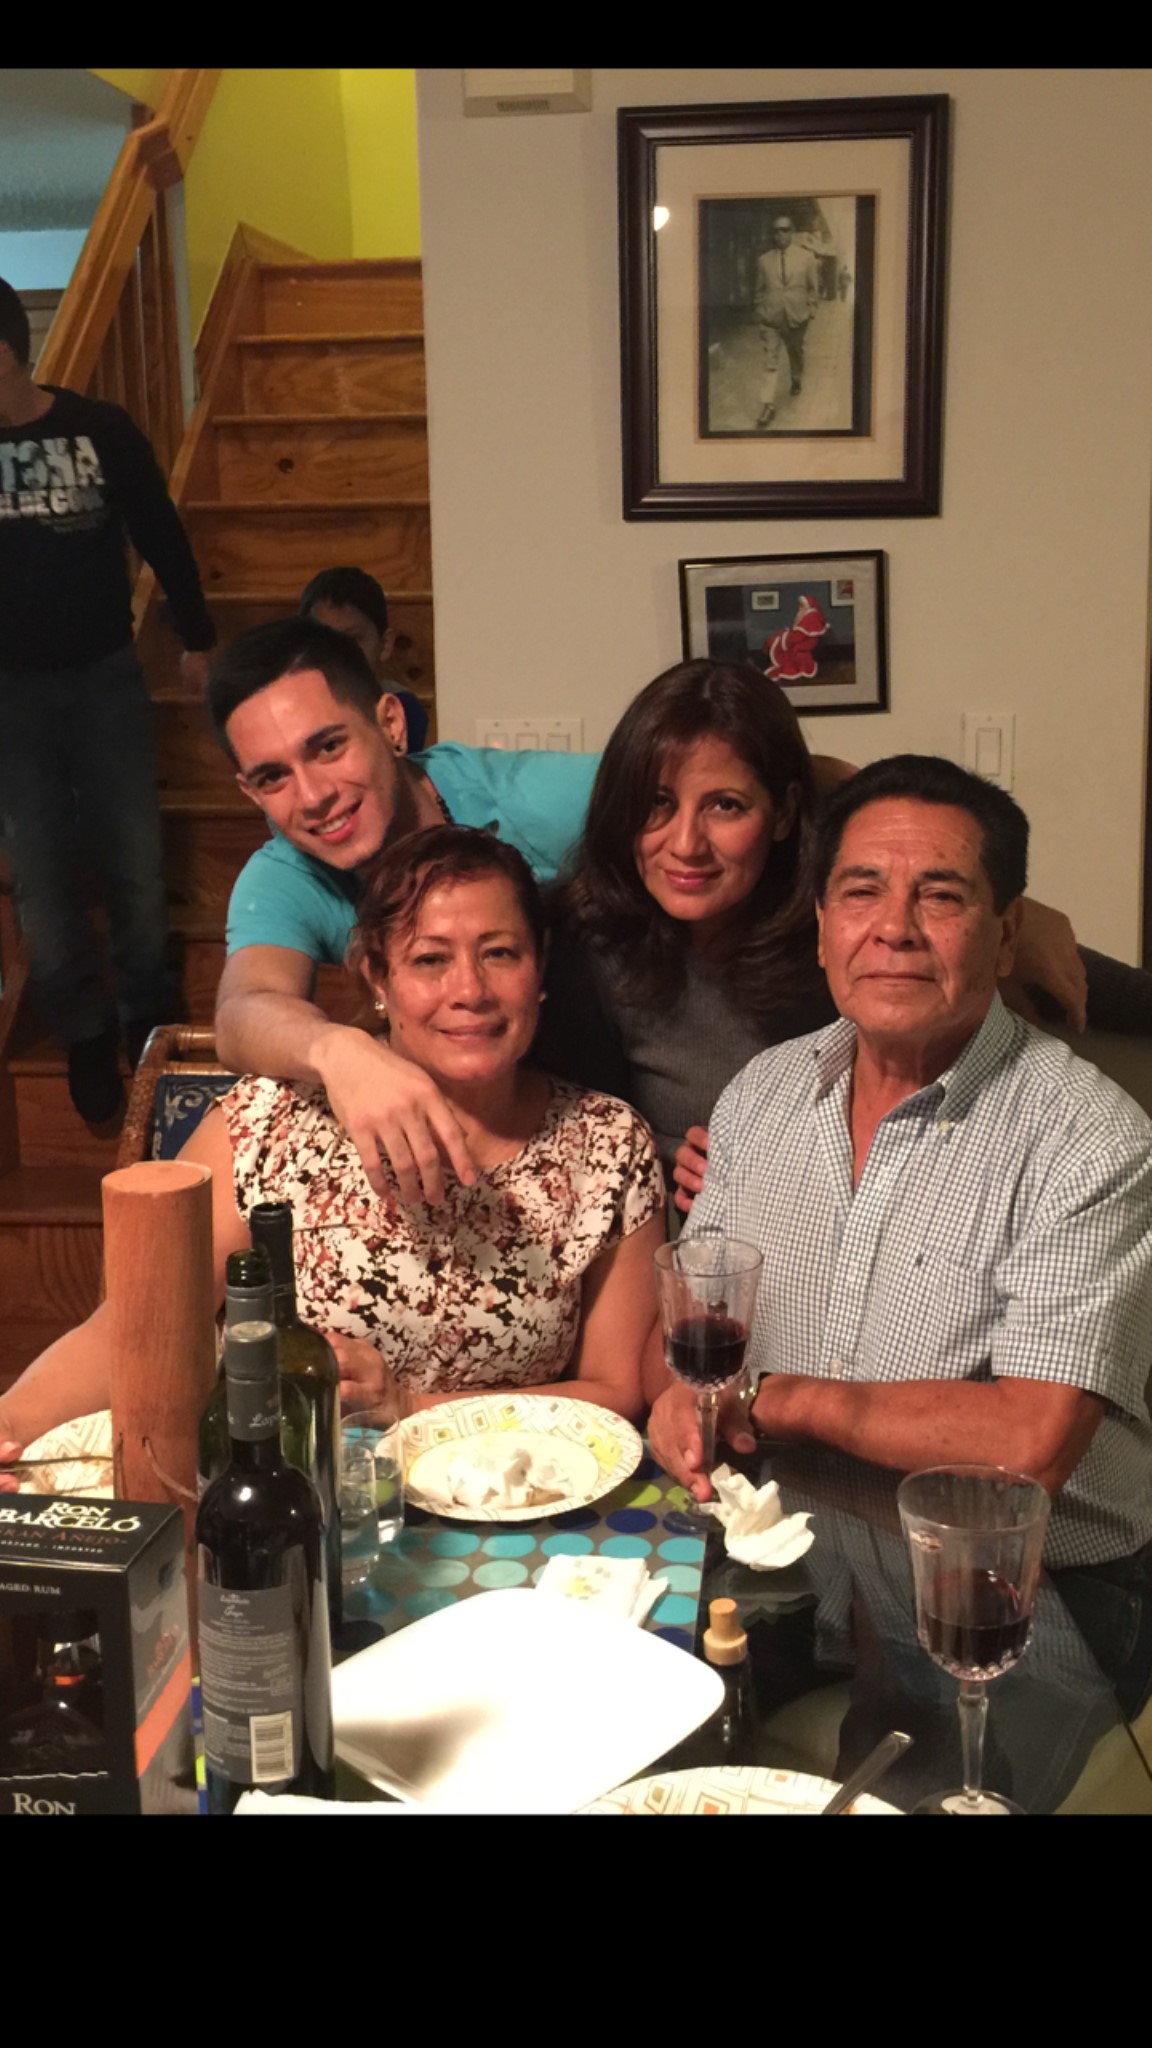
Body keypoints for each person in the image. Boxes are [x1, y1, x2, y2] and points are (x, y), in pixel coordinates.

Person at [648, 754, 1152, 1715]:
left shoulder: (1091, 1139)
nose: (895, 928)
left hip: (1024, 1584)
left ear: (1006, 935)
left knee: (901, 1780)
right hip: (791, 1547)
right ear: (823, 927)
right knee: (610, 1713)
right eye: (862, 891)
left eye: (942, 896)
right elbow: (694, 1325)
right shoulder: (763, 1094)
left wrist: (777, 1399)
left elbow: (1028, 1443)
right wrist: (684, 1400)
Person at [0, 826, 664, 1470]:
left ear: (540, 965)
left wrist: (412, 1409)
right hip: (287, 1496)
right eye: (430, 960)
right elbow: (138, 1328)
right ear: (377, 976)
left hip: (514, 1503)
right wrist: (11, 1424)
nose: (469, 990)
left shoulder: (607, 1145)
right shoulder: (271, 1122)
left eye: (499, 953)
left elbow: (614, 1392)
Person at [210, 614, 601, 1204]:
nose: (313, 796)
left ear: (390, 724)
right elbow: (243, 1011)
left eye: (329, 747)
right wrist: (339, 1051)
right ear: (249, 791)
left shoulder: (537, 801)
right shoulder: (285, 875)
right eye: (273, 777)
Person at [0, 276, 216, 1123]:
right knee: (42, 876)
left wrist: (197, 636)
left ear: (5, 354)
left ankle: (148, 1018)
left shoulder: (100, 429)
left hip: (103, 678)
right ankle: (85, 1033)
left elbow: (161, 530)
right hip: (10, 697)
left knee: (134, 859)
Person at [298, 564, 429, 753]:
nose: (338, 653)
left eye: (352, 640)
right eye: (324, 641)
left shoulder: (402, 710)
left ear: (385, 645)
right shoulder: (293, 710)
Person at [754, 216, 820, 428]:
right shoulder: (764, 261)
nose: (779, 234)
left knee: (795, 352)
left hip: (797, 317)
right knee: (770, 361)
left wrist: (810, 311)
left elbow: (813, 288)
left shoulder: (807, 258)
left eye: (784, 230)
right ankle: (768, 405)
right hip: (771, 319)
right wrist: (761, 312)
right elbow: (759, 290)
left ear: (792, 231)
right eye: (776, 231)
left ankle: (796, 378)